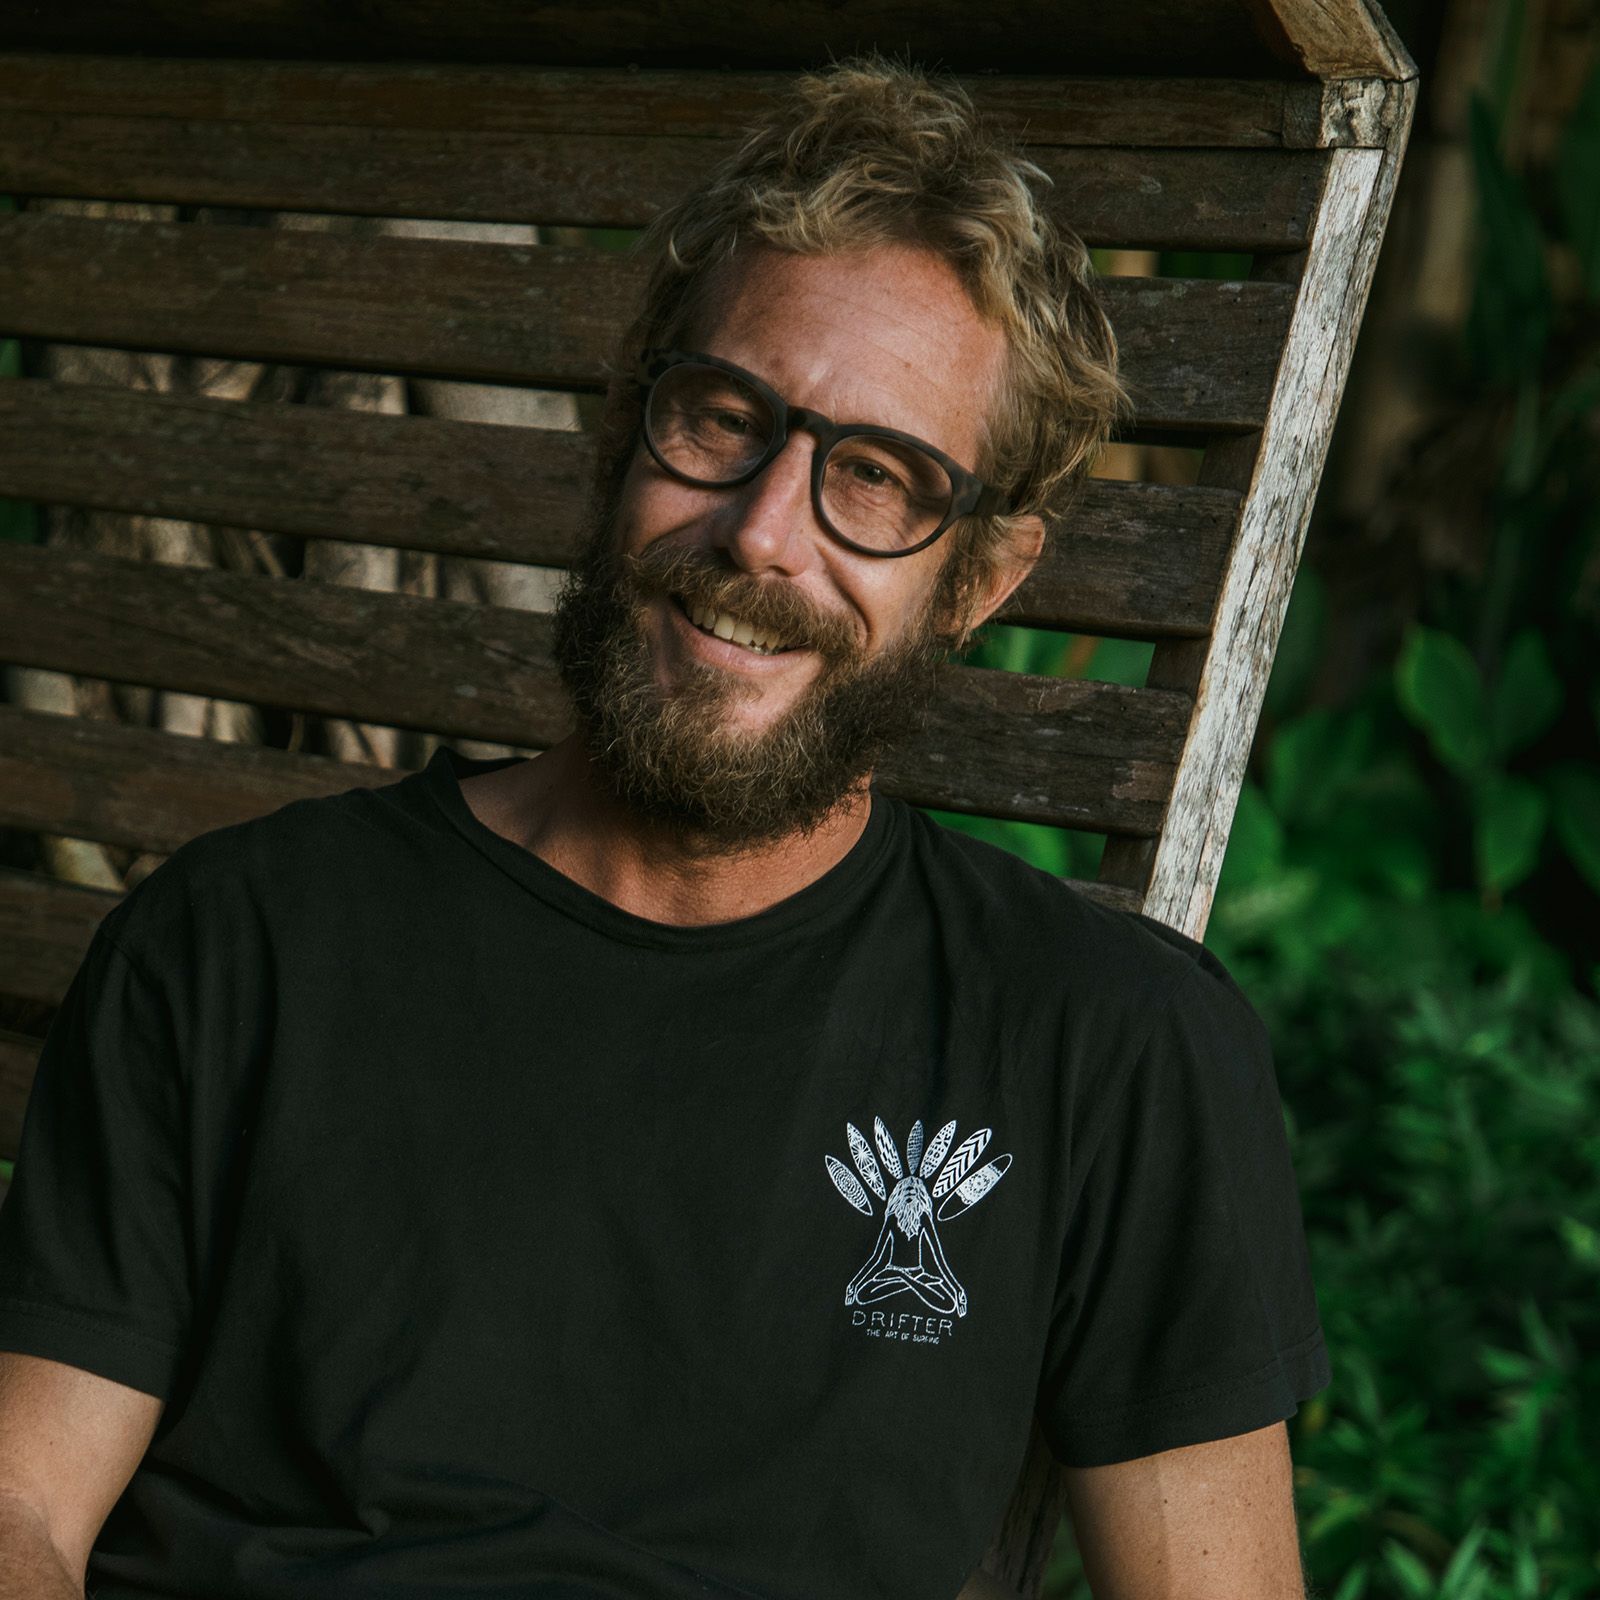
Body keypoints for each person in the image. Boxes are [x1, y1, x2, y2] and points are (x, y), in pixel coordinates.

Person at [0, 56, 1331, 1600]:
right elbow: (22, 1503)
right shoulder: (243, 941)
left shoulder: (1107, 1050)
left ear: (981, 578)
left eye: (878, 480)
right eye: (723, 419)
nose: (762, 533)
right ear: (621, 432)